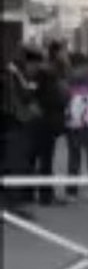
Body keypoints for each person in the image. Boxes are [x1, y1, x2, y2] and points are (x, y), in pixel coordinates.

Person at [3, 47, 40, 218]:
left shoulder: (13, 73)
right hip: (13, 125)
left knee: (14, 166)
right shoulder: (11, 74)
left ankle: (11, 205)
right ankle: (11, 207)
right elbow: (24, 95)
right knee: (15, 166)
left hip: (13, 124)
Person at [32, 40, 69, 205]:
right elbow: (59, 98)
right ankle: (45, 195)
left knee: (44, 158)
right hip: (48, 120)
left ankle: (43, 193)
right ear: (58, 52)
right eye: (63, 51)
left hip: (45, 118)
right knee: (46, 158)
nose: (65, 54)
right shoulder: (52, 72)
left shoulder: (46, 70)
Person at [64, 53, 88, 202]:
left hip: (73, 124)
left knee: (74, 158)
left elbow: (64, 98)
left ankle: (71, 192)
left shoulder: (68, 78)